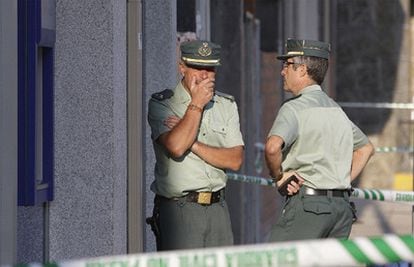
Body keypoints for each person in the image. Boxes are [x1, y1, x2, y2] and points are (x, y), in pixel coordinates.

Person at [265, 39, 375, 242]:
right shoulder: (336, 109)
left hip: (309, 208)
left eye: (287, 65)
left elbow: (272, 148)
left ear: (303, 70)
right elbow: (366, 148)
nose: (282, 72)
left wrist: (278, 176)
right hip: (341, 210)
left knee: (275, 260)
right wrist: (339, 181)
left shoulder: (293, 108)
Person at [147, 40, 244, 250]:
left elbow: (235, 160)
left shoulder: (225, 105)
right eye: (197, 68)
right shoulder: (163, 103)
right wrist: (197, 105)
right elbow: (176, 146)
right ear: (182, 67)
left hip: (218, 208)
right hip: (180, 209)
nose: (204, 75)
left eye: (209, 69)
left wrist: (194, 144)